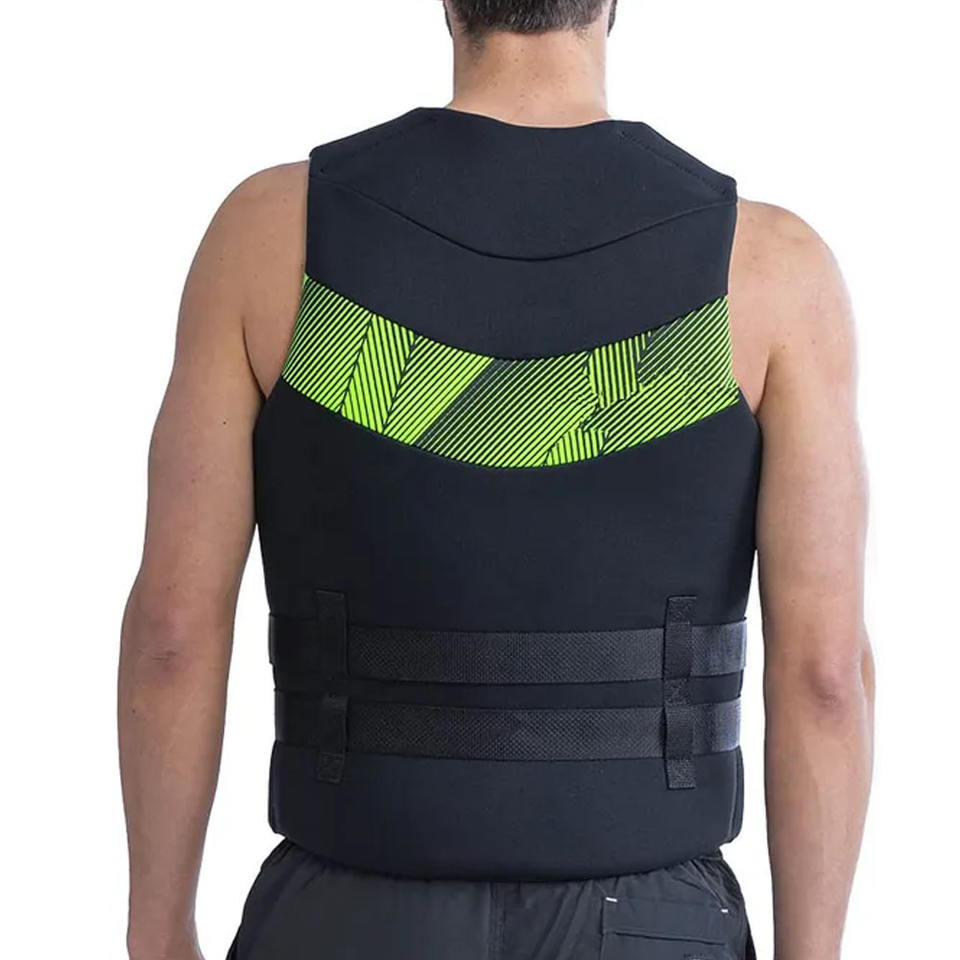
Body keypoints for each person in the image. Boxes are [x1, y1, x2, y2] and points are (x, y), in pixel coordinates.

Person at [118, 2, 874, 958]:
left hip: (346, 916)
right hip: (650, 925)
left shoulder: (268, 239)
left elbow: (173, 633)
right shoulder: (769, 271)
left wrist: (156, 932)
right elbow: (825, 676)